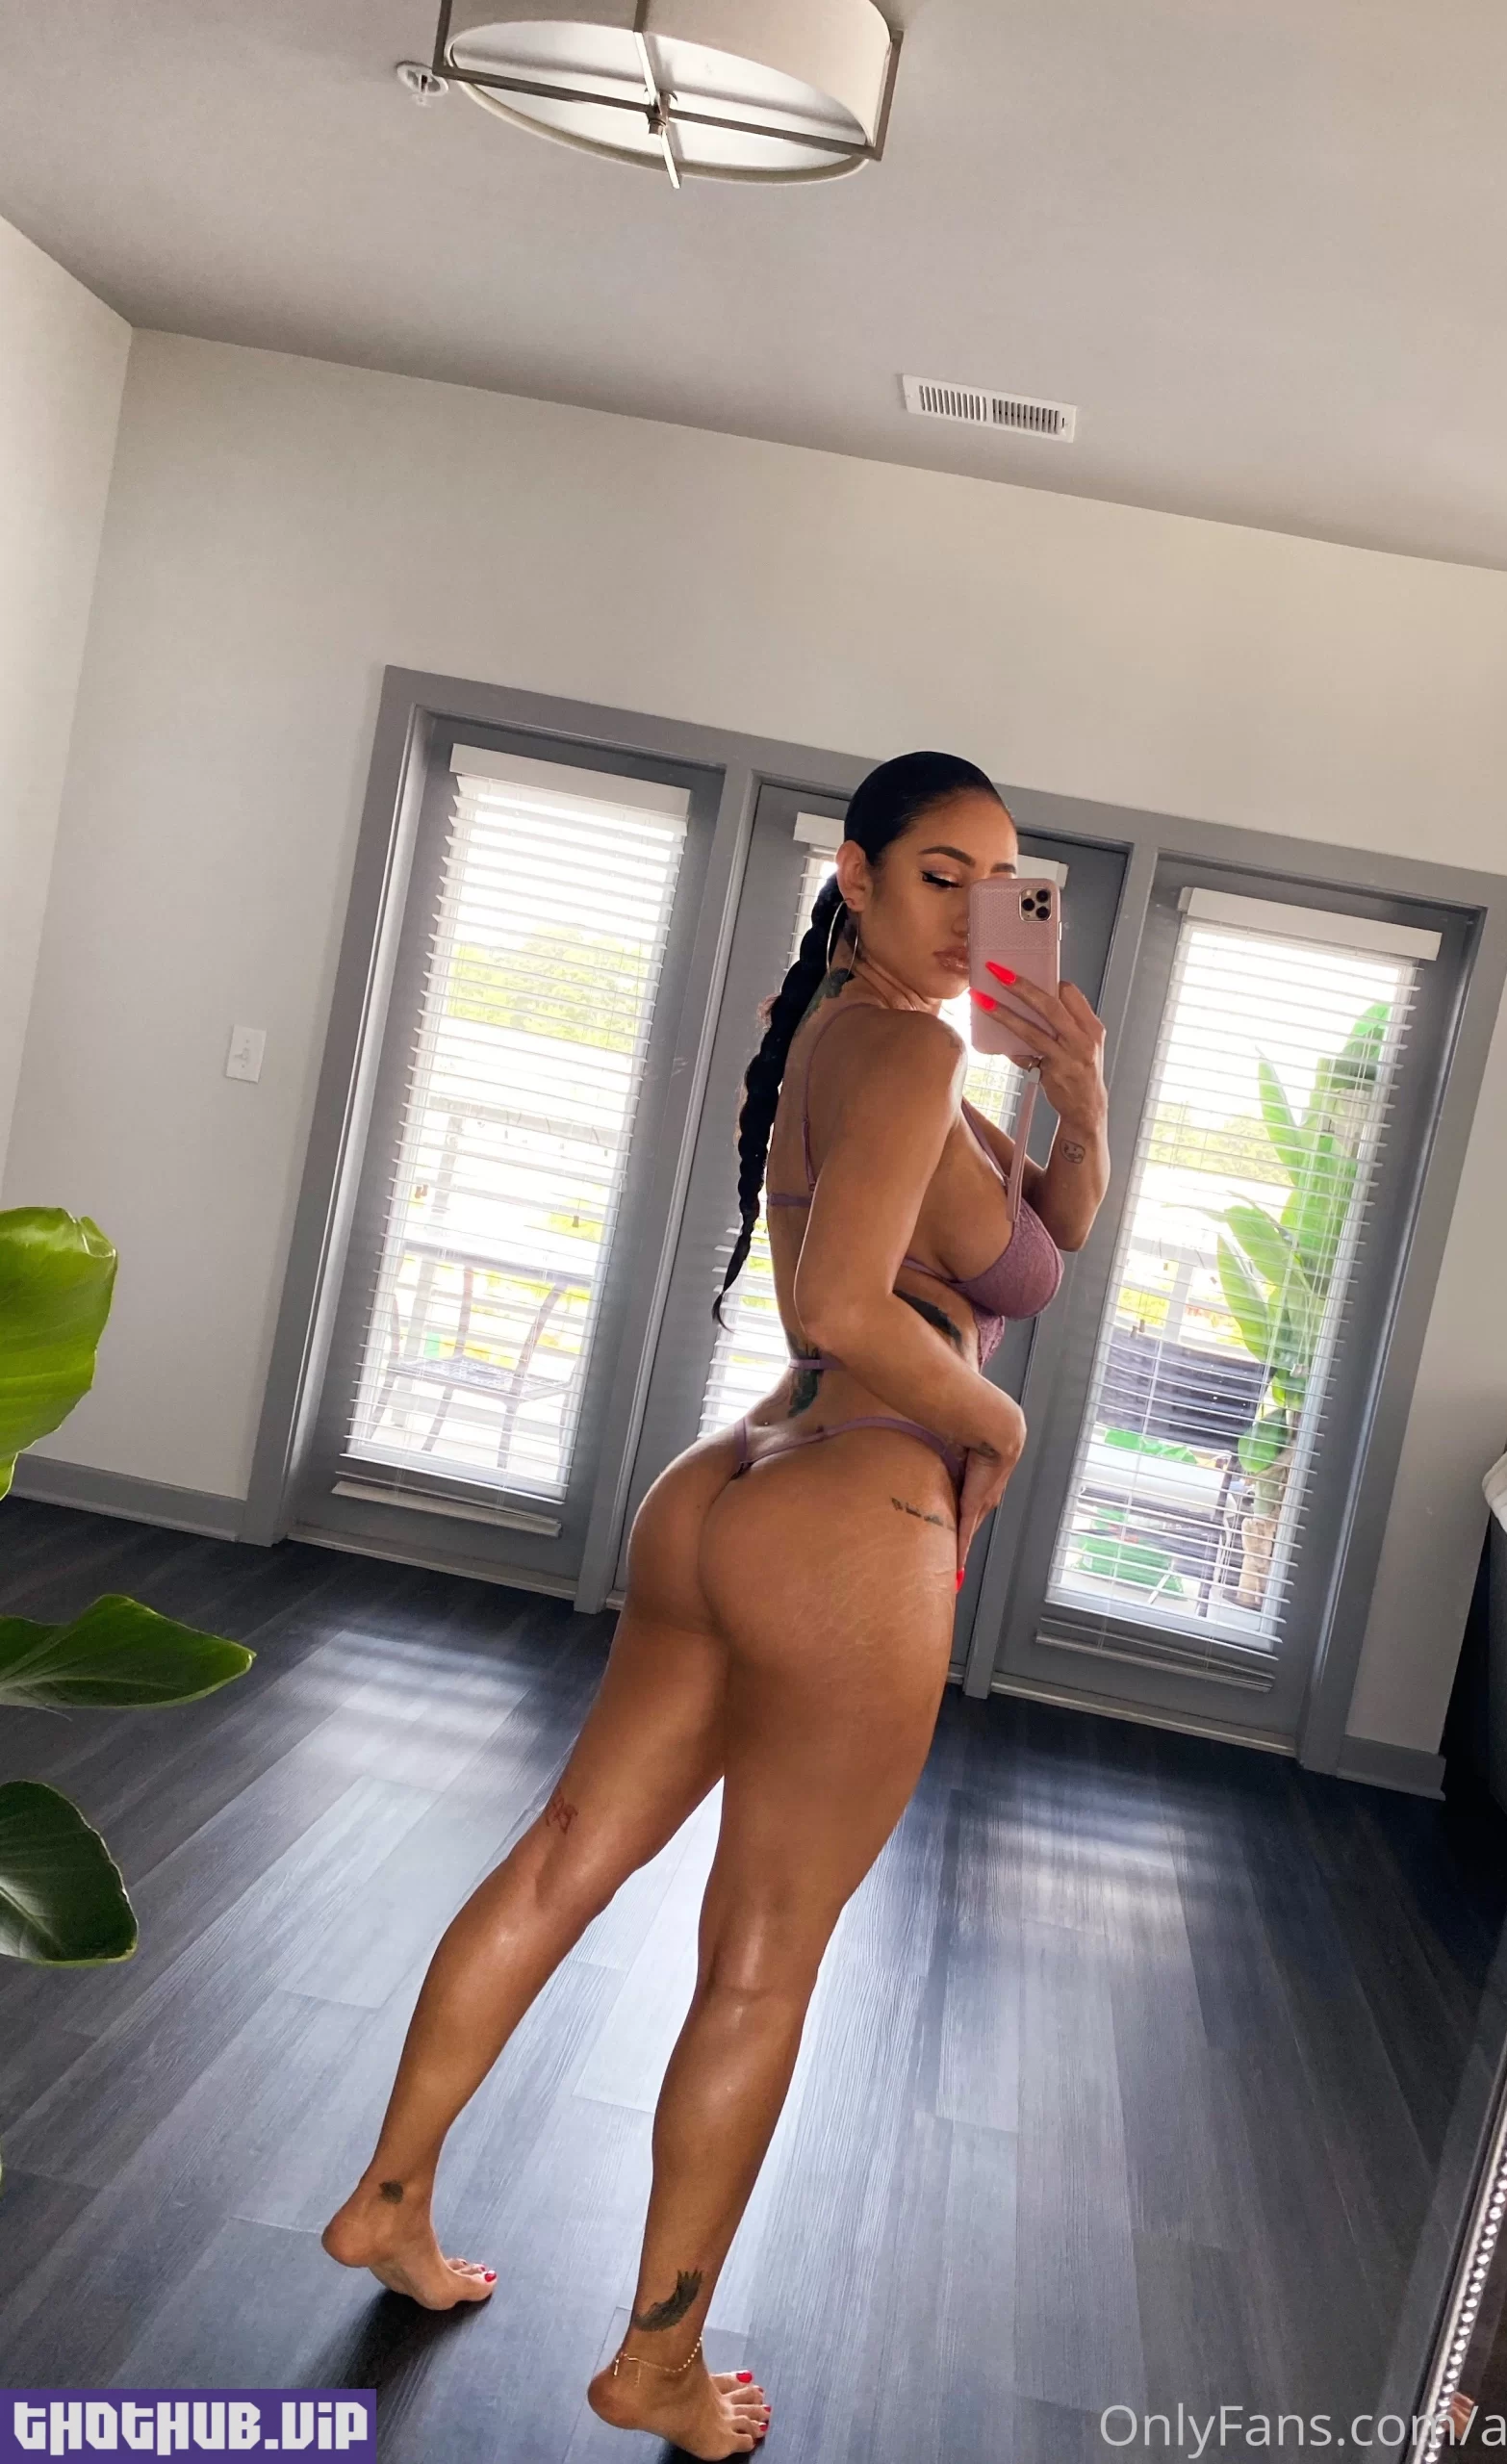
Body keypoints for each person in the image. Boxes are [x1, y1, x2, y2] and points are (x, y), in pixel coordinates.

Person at [321, 751, 1110, 2458]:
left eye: (1000, 884)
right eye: (938, 875)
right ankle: (660, 2364)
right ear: (856, 872)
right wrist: (998, 1422)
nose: (974, 912)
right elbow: (845, 1307)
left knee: (563, 1858)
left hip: (733, 1485)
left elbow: (1036, 1239)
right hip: (854, 1508)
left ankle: (388, 2199)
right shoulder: (909, 1049)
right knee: (760, 1965)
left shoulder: (862, 1034)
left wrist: (1082, 1100)